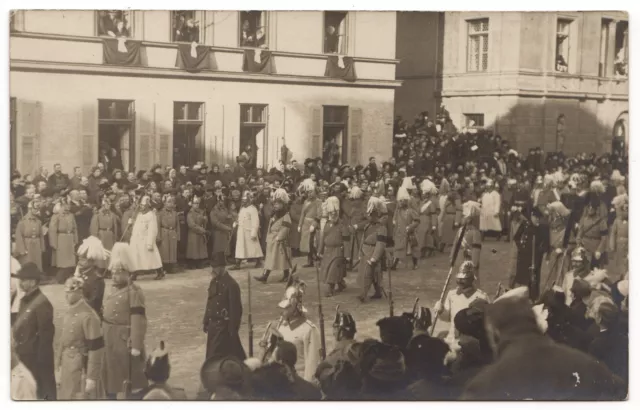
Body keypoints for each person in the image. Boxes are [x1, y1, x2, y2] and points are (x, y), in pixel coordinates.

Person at [461, 288, 626, 400]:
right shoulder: (587, 365)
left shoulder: (484, 386)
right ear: (534, 321)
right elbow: (621, 390)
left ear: (494, 332)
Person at [102, 243, 148, 399]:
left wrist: (136, 344)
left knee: (130, 376)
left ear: (127, 273)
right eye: (112, 272)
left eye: (117, 273)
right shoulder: (112, 289)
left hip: (124, 339)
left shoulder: (134, 292)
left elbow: (138, 319)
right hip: (110, 338)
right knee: (111, 375)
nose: (113, 276)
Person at [11, 262, 57, 400]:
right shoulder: (25, 300)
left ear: (32, 282)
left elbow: (46, 337)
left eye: (23, 280)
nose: (20, 283)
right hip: (24, 355)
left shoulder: (42, 303)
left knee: (40, 393)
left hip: (36, 359)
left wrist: (42, 364)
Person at [57, 276, 105, 399]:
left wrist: (91, 377)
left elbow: (96, 348)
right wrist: (58, 366)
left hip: (81, 367)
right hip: (67, 365)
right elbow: (62, 342)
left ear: (79, 292)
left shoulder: (89, 315)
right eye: (66, 293)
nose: (66, 296)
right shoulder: (69, 312)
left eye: (70, 293)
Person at [274, 276, 321, 382]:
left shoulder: (309, 329)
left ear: (296, 308)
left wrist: (307, 385)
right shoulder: (281, 325)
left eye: (286, 308)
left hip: (299, 379)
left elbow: (312, 362)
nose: (282, 311)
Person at [203, 253, 246, 361]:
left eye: (215, 267)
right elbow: (210, 302)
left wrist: (233, 330)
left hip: (223, 328)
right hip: (213, 327)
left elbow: (236, 310)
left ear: (222, 267)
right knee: (212, 358)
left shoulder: (231, 285)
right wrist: (206, 320)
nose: (213, 270)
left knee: (224, 358)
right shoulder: (213, 282)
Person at [434, 261, 489, 345]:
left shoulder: (482, 297)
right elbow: (447, 318)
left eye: (464, 279)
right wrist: (441, 311)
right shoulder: (452, 294)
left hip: (470, 343)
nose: (460, 281)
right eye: (459, 278)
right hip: (451, 340)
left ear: (471, 279)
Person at [315, 310, 360, 398]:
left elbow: (321, 380)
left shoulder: (336, 355)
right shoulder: (361, 348)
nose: (333, 332)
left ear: (341, 332)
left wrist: (322, 365)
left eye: (335, 329)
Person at [255, 188, 293, 283]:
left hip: (280, 241)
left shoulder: (286, 215)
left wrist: (279, 237)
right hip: (272, 240)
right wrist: (269, 237)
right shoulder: (274, 215)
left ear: (283, 204)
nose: (275, 205)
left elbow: (285, 228)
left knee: (283, 259)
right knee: (270, 258)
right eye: (274, 204)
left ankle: (285, 275)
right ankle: (266, 276)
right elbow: (269, 227)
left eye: (277, 204)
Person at [512, 208, 550, 301]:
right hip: (524, 256)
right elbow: (516, 237)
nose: (536, 219)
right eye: (535, 217)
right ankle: (522, 295)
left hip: (536, 256)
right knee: (523, 276)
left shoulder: (543, 228)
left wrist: (542, 250)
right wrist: (521, 247)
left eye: (538, 218)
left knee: (534, 276)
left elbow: (546, 243)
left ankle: (534, 296)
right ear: (531, 216)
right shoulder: (525, 225)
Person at [317, 196, 350, 296]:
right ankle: (341, 284)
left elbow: (346, 240)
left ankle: (329, 289)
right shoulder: (326, 224)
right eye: (331, 212)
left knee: (333, 270)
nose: (333, 214)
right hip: (328, 251)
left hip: (338, 251)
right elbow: (323, 238)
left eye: (335, 211)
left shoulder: (342, 224)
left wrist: (347, 255)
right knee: (328, 270)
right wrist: (320, 251)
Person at [358, 196, 388, 303]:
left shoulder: (381, 228)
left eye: (370, 214)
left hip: (373, 253)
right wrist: (360, 252)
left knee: (369, 275)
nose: (368, 216)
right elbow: (363, 239)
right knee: (372, 275)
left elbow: (380, 244)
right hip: (365, 252)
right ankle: (378, 292)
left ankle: (363, 294)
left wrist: (375, 258)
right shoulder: (367, 226)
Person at [74, 236, 110, 317]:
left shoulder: (97, 279)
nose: (79, 262)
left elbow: (93, 304)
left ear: (92, 261)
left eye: (83, 259)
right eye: (79, 259)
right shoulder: (81, 275)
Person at [129, 196, 163, 277]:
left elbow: (152, 230)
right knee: (135, 257)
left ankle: (160, 271)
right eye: (141, 205)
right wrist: (131, 223)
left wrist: (150, 243)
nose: (141, 207)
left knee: (152, 257)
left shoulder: (151, 215)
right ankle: (134, 273)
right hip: (136, 240)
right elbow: (137, 226)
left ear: (147, 206)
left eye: (143, 205)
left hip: (146, 239)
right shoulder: (139, 214)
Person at [50, 198, 79, 284]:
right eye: (65, 205)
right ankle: (60, 278)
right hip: (61, 238)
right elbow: (52, 230)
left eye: (68, 204)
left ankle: (65, 277)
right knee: (62, 260)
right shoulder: (56, 216)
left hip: (70, 238)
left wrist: (75, 239)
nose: (68, 206)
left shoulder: (71, 215)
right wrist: (54, 243)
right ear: (61, 206)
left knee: (70, 260)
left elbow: (75, 228)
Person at [232, 190, 263, 269]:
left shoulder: (253, 209)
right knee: (240, 248)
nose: (243, 202)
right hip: (241, 231)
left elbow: (256, 222)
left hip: (249, 231)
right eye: (243, 201)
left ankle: (259, 261)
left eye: (245, 201)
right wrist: (236, 222)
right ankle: (237, 264)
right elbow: (240, 218)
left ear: (248, 201)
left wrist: (254, 233)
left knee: (254, 247)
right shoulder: (242, 209)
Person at [452, 201, 482, 280]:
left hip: (469, 261)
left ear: (469, 219)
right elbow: (455, 245)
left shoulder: (475, 232)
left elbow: (476, 250)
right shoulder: (460, 230)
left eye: (463, 216)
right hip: (459, 258)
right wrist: (452, 257)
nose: (461, 219)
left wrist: (474, 264)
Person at [392, 186, 421, 270]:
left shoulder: (411, 211)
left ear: (406, 201)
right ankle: (394, 264)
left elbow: (417, 221)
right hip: (400, 232)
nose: (400, 202)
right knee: (398, 248)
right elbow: (395, 219)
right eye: (399, 201)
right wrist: (394, 222)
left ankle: (415, 264)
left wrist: (410, 227)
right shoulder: (397, 211)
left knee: (413, 248)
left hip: (409, 232)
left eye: (402, 201)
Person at [576, 196, 608, 269]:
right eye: (589, 207)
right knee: (582, 268)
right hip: (584, 247)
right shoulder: (584, 219)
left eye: (592, 207)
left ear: (596, 209)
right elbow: (580, 232)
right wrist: (578, 242)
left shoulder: (601, 221)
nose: (590, 209)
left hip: (595, 247)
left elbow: (604, 238)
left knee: (595, 270)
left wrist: (599, 250)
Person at [14, 200, 45, 271]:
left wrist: (42, 247)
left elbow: (41, 236)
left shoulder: (38, 221)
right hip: (27, 245)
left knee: (37, 262)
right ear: (30, 209)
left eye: (38, 209)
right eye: (35, 209)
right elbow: (19, 236)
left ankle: (37, 278)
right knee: (28, 262)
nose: (37, 211)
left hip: (36, 244)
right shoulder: (23, 221)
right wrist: (22, 249)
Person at [90, 196, 119, 270]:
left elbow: (115, 226)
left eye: (109, 204)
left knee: (109, 252)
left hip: (110, 234)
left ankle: (108, 268)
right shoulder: (97, 214)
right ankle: (101, 268)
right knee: (101, 252)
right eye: (107, 204)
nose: (109, 205)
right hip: (101, 234)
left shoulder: (112, 214)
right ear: (103, 204)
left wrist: (115, 236)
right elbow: (94, 227)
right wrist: (95, 238)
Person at [298, 178, 322, 267]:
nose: (309, 194)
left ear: (315, 192)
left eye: (311, 192)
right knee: (307, 244)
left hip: (313, 224)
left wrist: (314, 224)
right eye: (308, 192)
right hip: (305, 224)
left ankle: (317, 257)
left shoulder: (318, 202)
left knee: (313, 243)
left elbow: (319, 214)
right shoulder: (305, 201)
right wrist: (300, 225)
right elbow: (302, 214)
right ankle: (310, 260)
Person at [157, 195, 180, 274]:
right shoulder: (160, 213)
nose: (170, 204)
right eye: (168, 202)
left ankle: (171, 266)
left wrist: (178, 236)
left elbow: (177, 225)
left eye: (172, 202)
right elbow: (158, 225)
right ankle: (164, 267)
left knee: (172, 250)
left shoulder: (175, 213)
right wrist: (158, 237)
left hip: (172, 233)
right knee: (164, 251)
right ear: (164, 203)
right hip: (164, 233)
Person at [209, 191, 234, 265]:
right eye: (221, 201)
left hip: (225, 231)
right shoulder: (213, 211)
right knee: (218, 247)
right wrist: (226, 228)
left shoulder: (225, 209)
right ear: (218, 201)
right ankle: (217, 260)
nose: (222, 202)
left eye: (223, 201)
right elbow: (216, 223)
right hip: (218, 231)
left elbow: (227, 217)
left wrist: (229, 218)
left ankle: (225, 259)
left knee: (225, 247)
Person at [608, 194, 628, 280]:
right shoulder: (617, 221)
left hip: (629, 244)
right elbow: (613, 233)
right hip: (619, 244)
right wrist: (612, 246)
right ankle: (622, 277)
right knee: (620, 264)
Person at [186, 196, 209, 269]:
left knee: (200, 248)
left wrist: (205, 220)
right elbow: (192, 225)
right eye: (195, 203)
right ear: (192, 204)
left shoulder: (201, 212)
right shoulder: (190, 213)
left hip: (200, 231)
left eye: (198, 203)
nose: (197, 205)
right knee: (194, 248)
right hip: (194, 233)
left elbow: (204, 223)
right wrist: (202, 230)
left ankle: (199, 262)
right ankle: (192, 263)